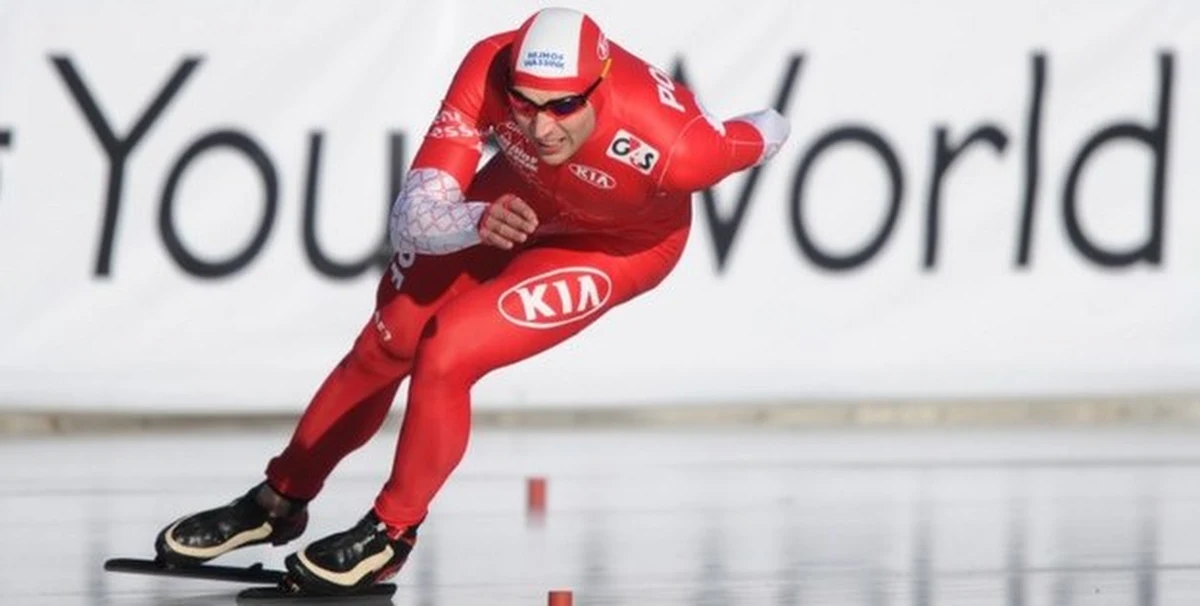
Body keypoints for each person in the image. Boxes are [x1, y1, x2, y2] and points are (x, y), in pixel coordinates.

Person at [153, 5, 790, 595]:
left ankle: (390, 534)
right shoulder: (489, 64)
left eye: (564, 107)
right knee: (386, 341)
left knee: (448, 348)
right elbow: (411, 216)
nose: (541, 126)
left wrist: (720, 117)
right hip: (513, 204)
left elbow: (768, 126)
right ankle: (277, 501)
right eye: (525, 104)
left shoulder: (683, 149)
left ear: (600, 85)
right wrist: (473, 220)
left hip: (615, 246)